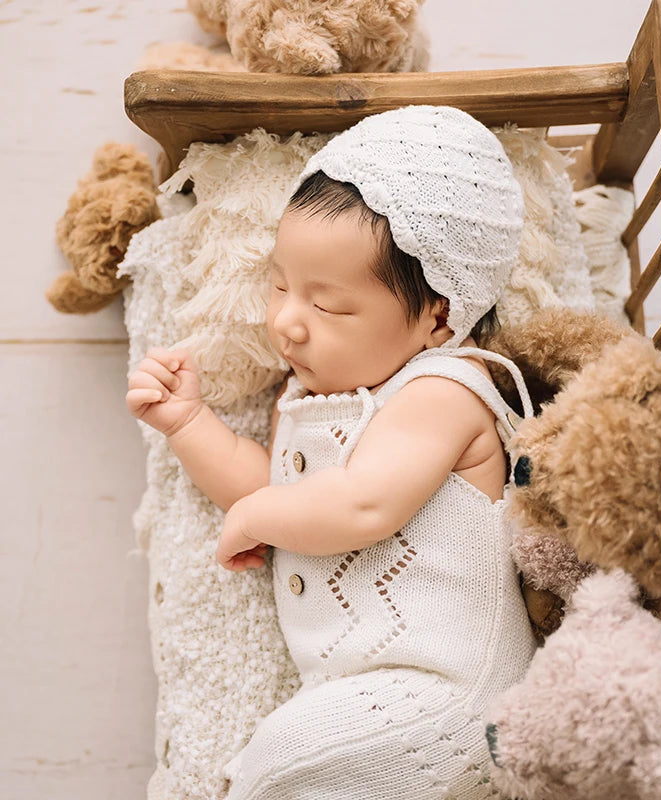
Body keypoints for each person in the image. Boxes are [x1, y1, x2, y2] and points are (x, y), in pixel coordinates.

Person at [126, 105, 536, 800]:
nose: (287, 321)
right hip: (353, 699)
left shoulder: (445, 389)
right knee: (292, 756)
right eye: (281, 285)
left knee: (277, 761)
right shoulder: (306, 400)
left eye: (328, 306)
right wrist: (189, 423)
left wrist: (256, 517)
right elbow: (274, 495)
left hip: (451, 694)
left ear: (439, 319)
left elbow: (361, 505)